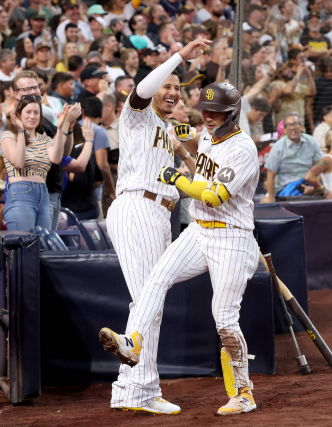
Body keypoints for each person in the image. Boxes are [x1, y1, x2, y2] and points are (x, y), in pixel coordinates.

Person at [100, 80, 261, 416]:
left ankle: (244, 392)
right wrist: (181, 148)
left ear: (233, 113)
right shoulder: (204, 134)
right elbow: (192, 156)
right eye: (205, 110)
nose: (209, 116)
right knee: (156, 279)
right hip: (199, 230)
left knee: (224, 320)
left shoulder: (243, 148)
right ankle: (134, 341)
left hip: (231, 237)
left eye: (216, 112)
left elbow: (214, 194)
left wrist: (177, 178)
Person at [95, 39, 207, 415]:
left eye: (178, 87)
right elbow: (141, 91)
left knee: (149, 302)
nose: (173, 92)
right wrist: (178, 57)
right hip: (137, 206)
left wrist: (190, 146)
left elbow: (191, 161)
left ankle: (134, 390)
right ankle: (138, 387)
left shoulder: (165, 127)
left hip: (161, 212)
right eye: (169, 85)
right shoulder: (137, 114)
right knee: (148, 298)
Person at [0, 96, 80, 231]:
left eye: (36, 113)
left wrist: (61, 128)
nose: (32, 116)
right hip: (20, 193)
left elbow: (56, 158)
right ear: (18, 115)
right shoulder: (9, 135)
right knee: (24, 245)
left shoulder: (45, 139)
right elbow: (18, 163)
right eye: (28, 112)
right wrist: (20, 131)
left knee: (43, 245)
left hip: (44, 194)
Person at [262, 112, 323, 202]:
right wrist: (271, 198)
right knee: (265, 201)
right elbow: (270, 175)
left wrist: (313, 187)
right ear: (285, 129)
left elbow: (320, 170)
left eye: (295, 124)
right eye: (289, 125)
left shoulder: (312, 142)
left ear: (301, 126)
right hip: (285, 191)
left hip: (309, 187)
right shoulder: (278, 147)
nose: (292, 128)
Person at [61, 120, 102, 220]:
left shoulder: (70, 153)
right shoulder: (88, 152)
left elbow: (79, 178)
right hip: (91, 206)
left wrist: (61, 169)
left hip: (74, 210)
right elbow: (99, 179)